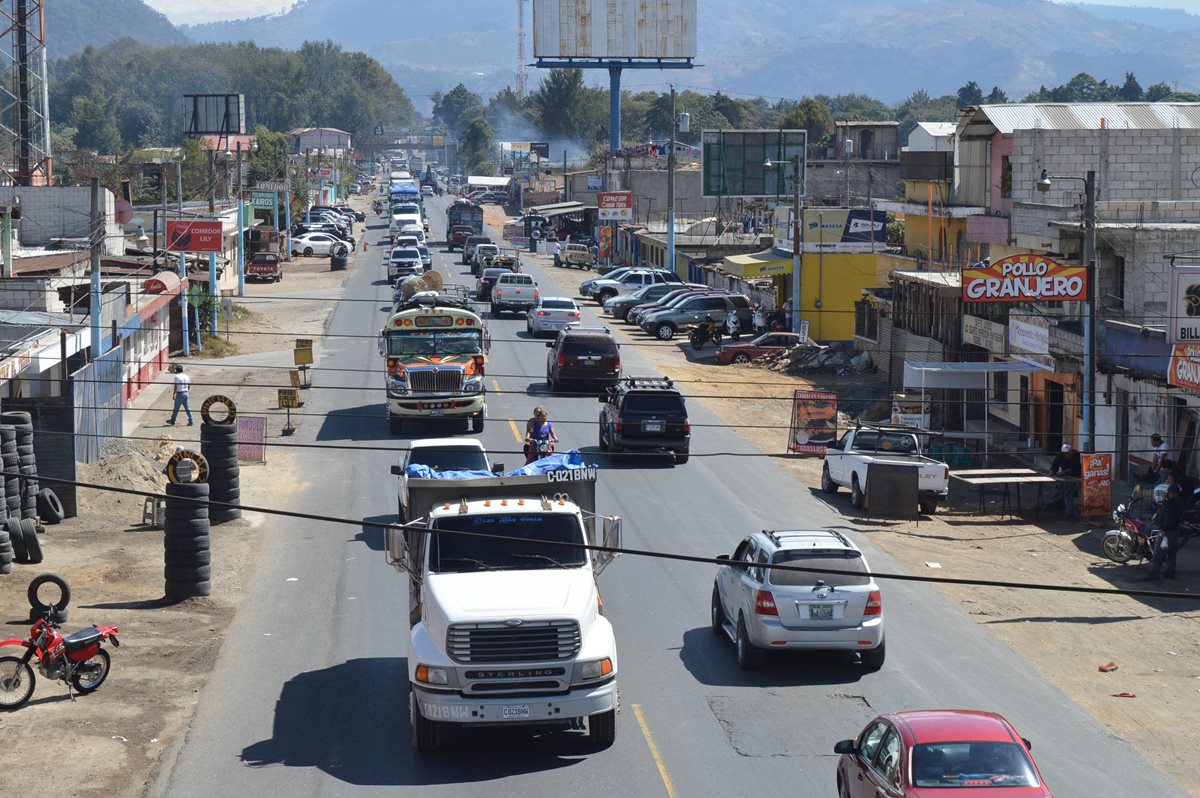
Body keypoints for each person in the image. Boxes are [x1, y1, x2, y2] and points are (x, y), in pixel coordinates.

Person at [1147, 483, 1184, 580]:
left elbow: (1168, 518)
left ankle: (1154, 573)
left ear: (1170, 493)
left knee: (1158, 553)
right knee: (1172, 553)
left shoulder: (1171, 503)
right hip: (1175, 531)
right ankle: (1170, 572)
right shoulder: (1179, 502)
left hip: (1167, 532)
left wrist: (1163, 530)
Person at [1046, 442, 1082, 517]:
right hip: (1066, 476)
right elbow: (1054, 466)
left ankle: (1068, 511)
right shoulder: (1060, 456)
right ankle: (1059, 505)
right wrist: (1052, 471)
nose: (1070, 454)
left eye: (1070, 452)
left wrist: (1061, 473)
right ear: (1064, 454)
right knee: (1063, 491)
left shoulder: (1076, 454)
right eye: (1068, 453)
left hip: (1076, 475)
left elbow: (1073, 468)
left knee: (1069, 492)